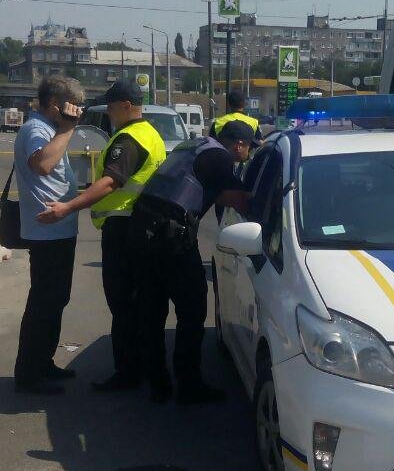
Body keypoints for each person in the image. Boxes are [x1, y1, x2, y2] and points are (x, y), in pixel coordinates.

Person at [37, 79, 166, 392]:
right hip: (143, 229)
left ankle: (128, 374)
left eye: (111, 107)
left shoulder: (129, 139)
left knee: (122, 306)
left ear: (126, 106)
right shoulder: (151, 134)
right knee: (141, 305)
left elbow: (110, 183)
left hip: (125, 232)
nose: (108, 112)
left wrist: (68, 207)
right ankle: (150, 371)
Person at [129, 122, 253, 404]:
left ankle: (158, 385)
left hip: (142, 230)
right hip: (171, 238)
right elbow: (240, 201)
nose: (247, 153)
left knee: (152, 311)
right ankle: (189, 385)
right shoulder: (221, 158)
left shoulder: (194, 146)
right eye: (249, 147)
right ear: (238, 145)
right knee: (192, 311)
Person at [13, 76, 85, 396]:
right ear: (57, 105)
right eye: (73, 107)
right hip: (47, 233)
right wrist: (68, 129)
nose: (77, 113)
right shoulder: (36, 129)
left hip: (58, 231)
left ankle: (43, 362)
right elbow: (42, 164)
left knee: (55, 300)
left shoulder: (49, 128)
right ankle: (29, 375)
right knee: (43, 304)